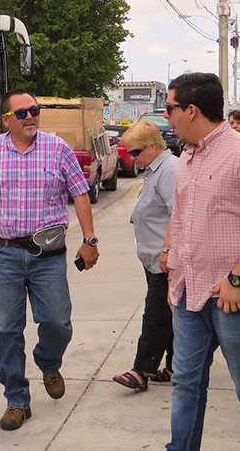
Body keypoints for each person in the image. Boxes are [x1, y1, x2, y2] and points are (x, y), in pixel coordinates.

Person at [0, 89, 99, 431]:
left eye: (34, 110)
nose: (31, 117)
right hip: (3, 253)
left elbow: (80, 194)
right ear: (7, 119)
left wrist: (89, 240)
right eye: (22, 113)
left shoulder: (58, 148)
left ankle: (48, 362)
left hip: (47, 255)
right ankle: (17, 400)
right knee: (6, 330)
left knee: (57, 323)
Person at [161, 73, 240, 451]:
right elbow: (180, 215)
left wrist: (237, 279)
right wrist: (174, 272)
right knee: (186, 382)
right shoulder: (184, 158)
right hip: (189, 296)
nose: (166, 115)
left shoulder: (238, 152)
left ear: (190, 110)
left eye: (170, 107)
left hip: (230, 298)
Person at [111, 120, 176, 391]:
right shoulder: (154, 169)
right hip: (154, 259)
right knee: (169, 314)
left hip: (165, 260)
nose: (132, 158)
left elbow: (179, 214)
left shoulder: (169, 170)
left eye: (135, 153)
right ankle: (174, 366)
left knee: (156, 314)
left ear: (153, 146)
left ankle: (142, 369)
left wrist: (167, 252)